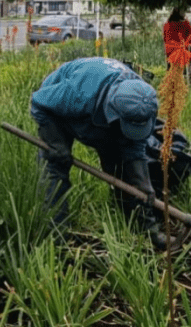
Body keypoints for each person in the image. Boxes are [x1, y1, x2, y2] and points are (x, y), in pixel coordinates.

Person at [30, 57, 174, 250]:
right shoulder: (78, 94)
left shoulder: (142, 101)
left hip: (104, 110)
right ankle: (56, 239)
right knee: (55, 169)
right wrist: (56, 144)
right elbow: (38, 102)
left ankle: (147, 232)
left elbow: (135, 147)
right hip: (58, 113)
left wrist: (143, 183)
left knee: (123, 172)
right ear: (114, 113)